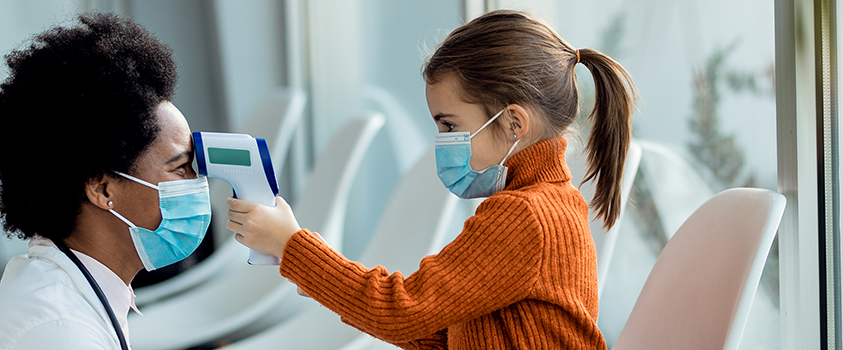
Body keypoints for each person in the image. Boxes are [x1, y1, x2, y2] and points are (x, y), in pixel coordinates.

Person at [227, 10, 635, 349]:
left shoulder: (524, 216)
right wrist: (324, 279)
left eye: (449, 125)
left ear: (514, 123)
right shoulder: (548, 203)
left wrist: (292, 245)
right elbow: (444, 330)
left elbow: (401, 310)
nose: (441, 143)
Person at [0, 13, 211, 350]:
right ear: (103, 189)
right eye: (180, 167)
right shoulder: (60, 330)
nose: (197, 182)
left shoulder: (69, 293)